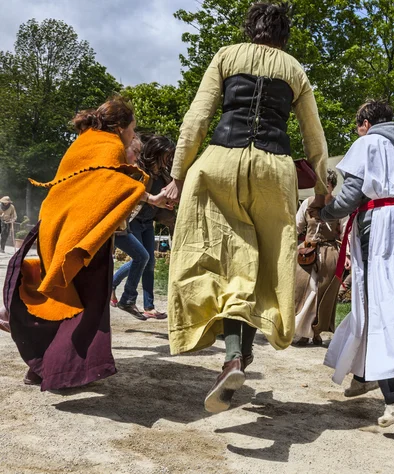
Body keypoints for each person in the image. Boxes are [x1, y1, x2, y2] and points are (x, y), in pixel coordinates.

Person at [162, 2, 328, 413]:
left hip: (219, 160)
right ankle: (241, 355)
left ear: (249, 28)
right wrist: (322, 190)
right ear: (284, 34)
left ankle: (234, 355)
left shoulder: (226, 55)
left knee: (220, 259)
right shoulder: (294, 69)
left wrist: (179, 172)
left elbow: (196, 118)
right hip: (275, 169)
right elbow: (314, 137)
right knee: (267, 265)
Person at [2, 96, 171, 390]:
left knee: (62, 297)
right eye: (131, 130)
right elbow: (111, 182)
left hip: (56, 225)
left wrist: (144, 192)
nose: (133, 136)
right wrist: (147, 191)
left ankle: (40, 368)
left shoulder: (84, 140)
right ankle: (61, 371)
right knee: (85, 304)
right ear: (119, 127)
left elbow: (101, 179)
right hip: (81, 235)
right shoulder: (109, 145)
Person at [320, 100, 394, 428]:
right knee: (390, 304)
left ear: (365, 123)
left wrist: (324, 213)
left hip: (384, 229)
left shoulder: (369, 142)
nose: (357, 130)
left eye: (357, 125)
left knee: (379, 307)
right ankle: (363, 375)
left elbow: (348, 197)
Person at [111, 135, 176, 320]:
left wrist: (164, 204)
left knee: (149, 262)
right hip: (133, 220)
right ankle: (116, 286)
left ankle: (149, 306)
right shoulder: (139, 169)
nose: (169, 158)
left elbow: (162, 195)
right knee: (142, 258)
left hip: (148, 221)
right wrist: (151, 198)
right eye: (167, 154)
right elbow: (130, 190)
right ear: (158, 153)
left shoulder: (162, 173)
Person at [294, 169, 344, 346]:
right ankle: (302, 332)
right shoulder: (307, 203)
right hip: (306, 252)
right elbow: (296, 227)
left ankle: (315, 331)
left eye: (326, 186)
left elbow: (347, 232)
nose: (321, 190)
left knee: (322, 293)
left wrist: (348, 255)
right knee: (305, 290)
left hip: (329, 253)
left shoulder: (339, 206)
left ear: (332, 187)